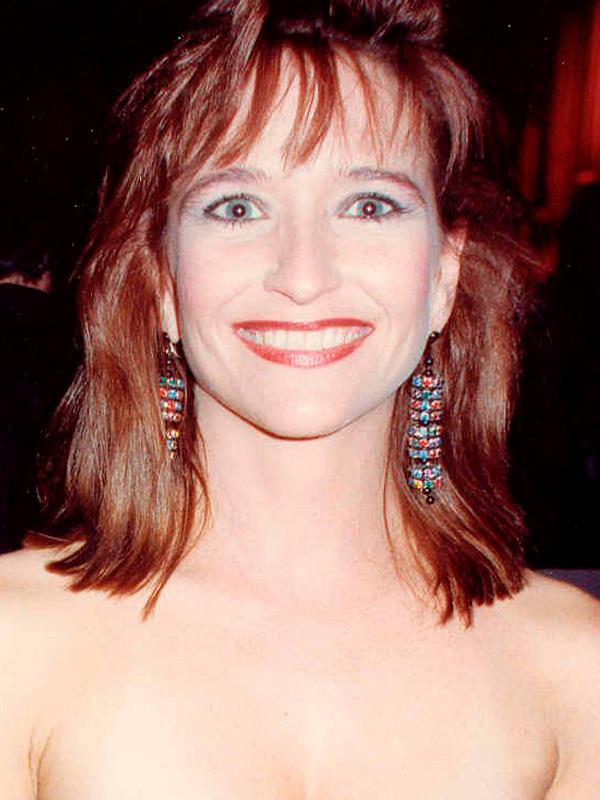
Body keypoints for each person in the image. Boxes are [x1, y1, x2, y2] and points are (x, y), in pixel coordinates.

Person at [1, 0, 599, 796]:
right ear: (162, 280)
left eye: (370, 205)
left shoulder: (571, 667)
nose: (304, 275)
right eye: (237, 207)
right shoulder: (17, 644)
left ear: (445, 274)